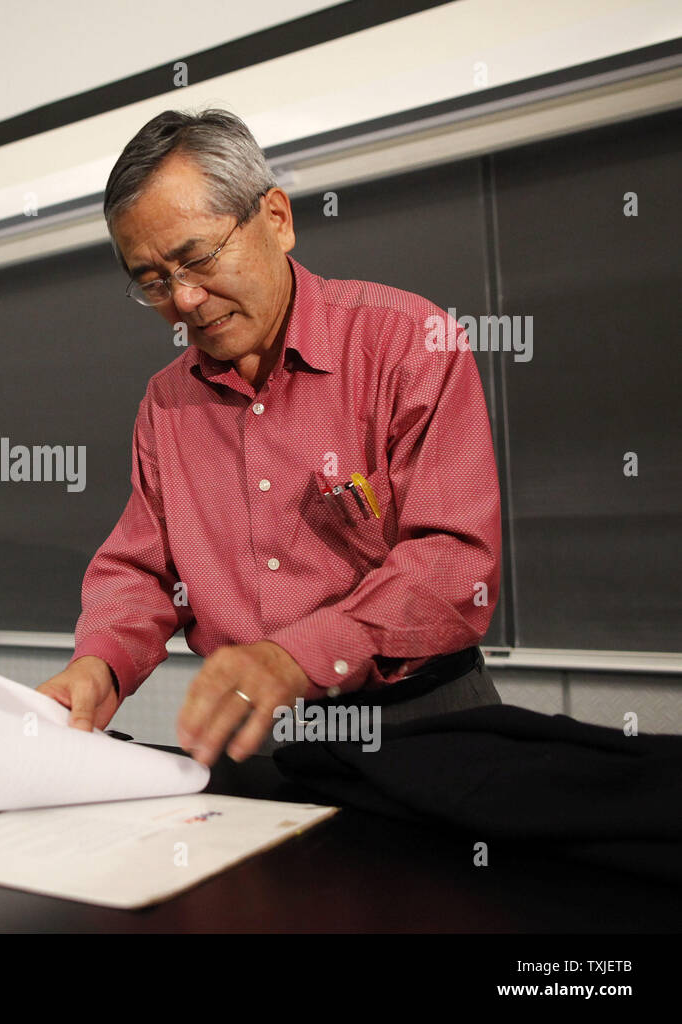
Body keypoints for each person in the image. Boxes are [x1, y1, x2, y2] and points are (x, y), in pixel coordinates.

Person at [36, 107, 502, 763]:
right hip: (262, 739)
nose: (185, 300)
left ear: (277, 219)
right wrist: (100, 665)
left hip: (426, 725)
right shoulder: (166, 403)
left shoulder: (409, 344)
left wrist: (296, 656)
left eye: (196, 258)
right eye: (153, 282)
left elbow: (451, 563)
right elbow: (142, 570)